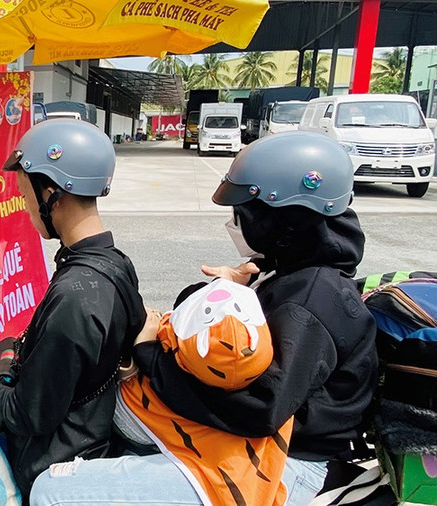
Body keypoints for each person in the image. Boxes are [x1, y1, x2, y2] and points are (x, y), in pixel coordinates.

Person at [30, 131, 378, 506]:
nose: (236, 221)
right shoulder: (289, 271)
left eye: (244, 212)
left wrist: (148, 352)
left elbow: (260, 408)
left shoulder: (312, 300)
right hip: (252, 443)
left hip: (282, 464)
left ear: (284, 216)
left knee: (53, 490)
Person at [0, 119, 147, 499]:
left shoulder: (75, 295)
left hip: (57, 471)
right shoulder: (112, 263)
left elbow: (26, 414)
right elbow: (69, 363)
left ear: (52, 193)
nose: (25, 209)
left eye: (26, 197)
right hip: (91, 438)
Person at [111, 278, 293, 506]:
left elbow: (171, 378)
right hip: (220, 444)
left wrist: (146, 350)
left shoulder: (187, 355)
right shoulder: (267, 356)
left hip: (149, 423)